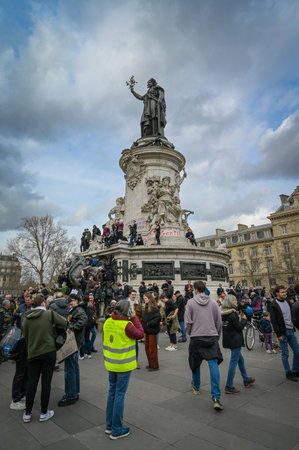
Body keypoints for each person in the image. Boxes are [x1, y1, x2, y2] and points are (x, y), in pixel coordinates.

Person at [22, 295, 67, 423]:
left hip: (32, 353)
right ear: (43, 303)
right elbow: (64, 322)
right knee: (46, 383)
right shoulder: (49, 314)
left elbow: (25, 335)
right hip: (48, 351)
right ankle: (43, 412)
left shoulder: (26, 318)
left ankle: (27, 413)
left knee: (32, 383)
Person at [103, 300, 144, 439]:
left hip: (110, 362)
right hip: (123, 364)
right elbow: (140, 334)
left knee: (112, 392)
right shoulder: (127, 325)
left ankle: (109, 425)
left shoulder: (108, 321)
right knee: (120, 394)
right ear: (126, 310)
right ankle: (116, 429)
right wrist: (134, 317)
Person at [184, 281, 223, 411]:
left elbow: (188, 322)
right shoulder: (213, 303)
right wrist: (216, 335)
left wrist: (191, 333)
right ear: (204, 289)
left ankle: (196, 386)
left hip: (196, 337)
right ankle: (216, 397)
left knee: (195, 363)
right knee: (213, 365)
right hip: (211, 337)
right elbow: (219, 321)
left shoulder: (190, 303)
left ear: (195, 290)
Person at [221, 295, 255, 394]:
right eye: (235, 301)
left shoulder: (223, 314)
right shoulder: (233, 314)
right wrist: (244, 319)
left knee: (241, 360)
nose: (237, 302)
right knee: (233, 362)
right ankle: (229, 385)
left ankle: (246, 379)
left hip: (229, 340)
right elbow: (239, 327)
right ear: (231, 302)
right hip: (235, 341)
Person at [58, 294, 88, 406]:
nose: (69, 303)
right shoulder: (76, 309)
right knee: (73, 367)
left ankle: (71, 395)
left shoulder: (79, 310)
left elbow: (84, 320)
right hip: (76, 341)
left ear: (76, 300)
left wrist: (71, 327)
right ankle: (75, 392)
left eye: (71, 302)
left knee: (70, 369)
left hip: (74, 342)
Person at [270, 285, 299, 381]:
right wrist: (279, 335)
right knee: (285, 353)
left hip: (291, 329)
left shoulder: (287, 301)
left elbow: (290, 313)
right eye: (282, 292)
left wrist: (293, 322)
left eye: (285, 292)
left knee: (297, 351)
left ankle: (295, 370)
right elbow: (274, 321)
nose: (285, 294)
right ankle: (288, 372)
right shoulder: (274, 304)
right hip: (283, 332)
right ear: (277, 293)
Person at [142, 293, 161, 370]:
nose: (144, 299)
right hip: (147, 331)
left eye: (146, 298)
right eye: (144, 298)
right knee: (147, 348)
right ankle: (150, 363)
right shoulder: (146, 307)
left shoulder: (154, 308)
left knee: (152, 349)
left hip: (152, 331)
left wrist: (149, 323)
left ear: (149, 299)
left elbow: (158, 318)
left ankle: (154, 366)